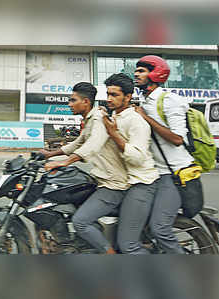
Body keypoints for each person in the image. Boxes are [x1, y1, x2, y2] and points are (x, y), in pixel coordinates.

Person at [41, 82, 129, 254]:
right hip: (101, 180)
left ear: (86, 102)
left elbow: (92, 146)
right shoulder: (90, 119)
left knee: (80, 221)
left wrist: (64, 162)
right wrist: (49, 154)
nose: (69, 104)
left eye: (73, 100)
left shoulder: (98, 119)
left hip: (113, 184)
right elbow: (78, 143)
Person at [133, 55, 195, 254]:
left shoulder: (169, 100)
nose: (136, 73)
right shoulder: (144, 101)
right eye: (136, 70)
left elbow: (177, 139)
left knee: (160, 228)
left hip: (176, 173)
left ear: (156, 74)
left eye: (142, 71)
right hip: (154, 173)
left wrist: (146, 118)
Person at [101, 73, 160, 254]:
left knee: (127, 245)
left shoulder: (136, 121)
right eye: (108, 94)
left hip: (141, 183)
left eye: (114, 95)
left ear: (127, 97)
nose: (109, 99)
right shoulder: (114, 116)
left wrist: (114, 135)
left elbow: (137, 158)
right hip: (123, 181)